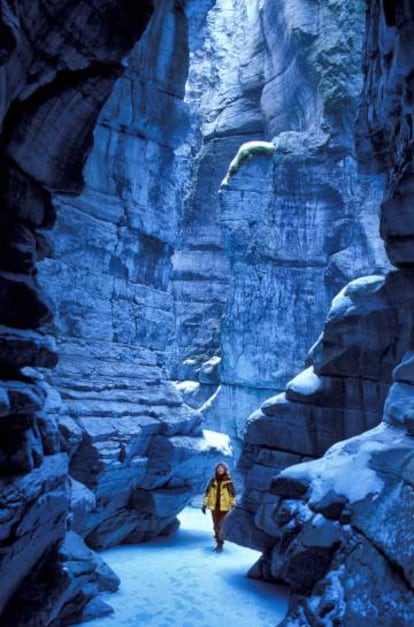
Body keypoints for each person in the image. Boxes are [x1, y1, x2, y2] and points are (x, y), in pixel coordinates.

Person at [202, 462, 236, 552]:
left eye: (222, 468)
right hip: (214, 507)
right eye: (218, 468)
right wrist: (204, 504)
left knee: (221, 525)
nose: (220, 469)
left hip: (225, 508)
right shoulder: (212, 480)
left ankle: (220, 544)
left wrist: (233, 505)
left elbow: (233, 495)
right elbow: (207, 493)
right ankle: (219, 542)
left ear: (225, 470)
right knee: (216, 526)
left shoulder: (229, 481)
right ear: (216, 469)